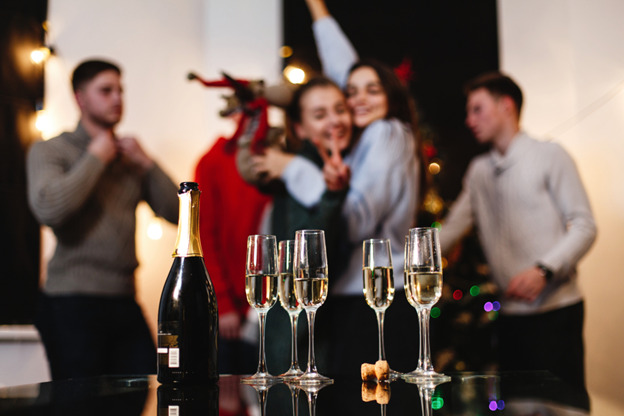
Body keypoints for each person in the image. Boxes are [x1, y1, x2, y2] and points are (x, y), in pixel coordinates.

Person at [439, 71, 597, 389]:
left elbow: (584, 225)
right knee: (517, 407)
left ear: (506, 105)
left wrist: (544, 270)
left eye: (477, 109)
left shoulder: (550, 155)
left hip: (557, 313)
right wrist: (398, 261)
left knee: (563, 406)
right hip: (509, 319)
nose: (469, 120)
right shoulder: (479, 171)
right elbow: (451, 230)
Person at [26, 59, 179, 380]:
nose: (117, 99)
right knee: (79, 405)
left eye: (120, 90)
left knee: (148, 393)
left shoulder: (130, 157)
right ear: (80, 98)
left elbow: (178, 214)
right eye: (105, 91)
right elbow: (50, 210)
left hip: (124, 299)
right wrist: (95, 157)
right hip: (70, 302)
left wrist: (148, 164)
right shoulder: (52, 150)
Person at [301, 0, 422, 375]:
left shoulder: (386, 133)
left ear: (391, 96)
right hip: (361, 295)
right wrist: (317, 10)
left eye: (373, 90)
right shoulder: (366, 139)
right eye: (351, 92)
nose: (358, 99)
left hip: (376, 298)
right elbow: (342, 67)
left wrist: (297, 176)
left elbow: (356, 223)